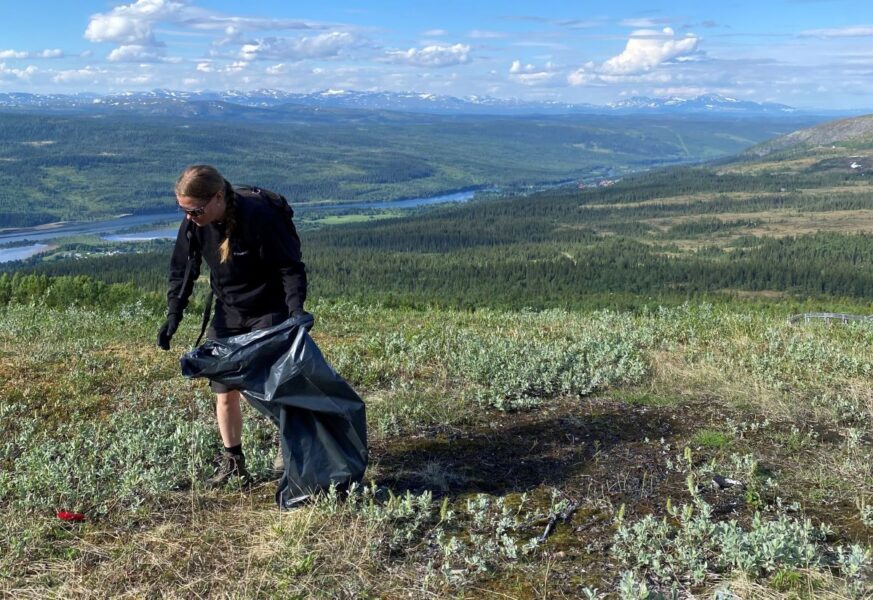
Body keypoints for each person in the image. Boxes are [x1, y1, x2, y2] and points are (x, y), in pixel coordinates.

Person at [157, 164, 307, 488]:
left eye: (195, 210)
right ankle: (234, 464)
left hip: (268, 308)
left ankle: (291, 448)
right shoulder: (195, 224)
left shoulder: (259, 217)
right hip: (229, 311)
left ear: (217, 198)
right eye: (183, 210)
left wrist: (295, 313)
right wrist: (173, 316)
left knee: (273, 386)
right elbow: (182, 270)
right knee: (224, 392)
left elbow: (290, 267)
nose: (189, 217)